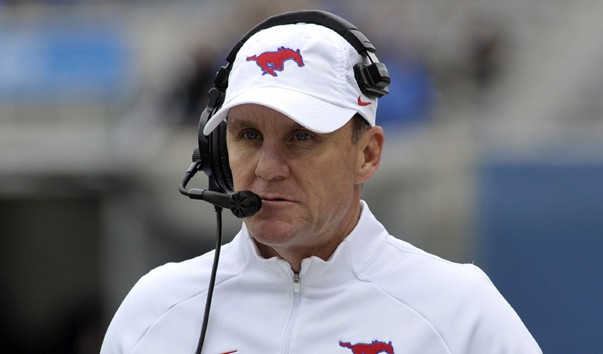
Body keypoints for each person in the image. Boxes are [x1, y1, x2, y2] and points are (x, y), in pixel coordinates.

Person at [101, 10, 541, 354]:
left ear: (367, 154)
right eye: (249, 135)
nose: (268, 167)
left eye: (301, 136)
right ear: (219, 150)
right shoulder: (155, 310)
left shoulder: (461, 313)